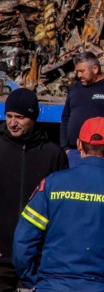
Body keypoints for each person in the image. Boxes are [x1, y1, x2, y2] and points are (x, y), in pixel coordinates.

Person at [13, 117, 104, 292]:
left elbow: (23, 241)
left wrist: (33, 281)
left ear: (79, 144)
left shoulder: (51, 185)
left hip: (52, 287)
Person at [0, 89, 68, 292]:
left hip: (37, 262)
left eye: (19, 117)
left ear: (34, 117)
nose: (12, 123)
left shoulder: (53, 155)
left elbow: (62, 210)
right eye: (9, 116)